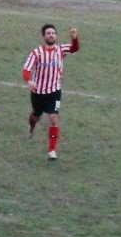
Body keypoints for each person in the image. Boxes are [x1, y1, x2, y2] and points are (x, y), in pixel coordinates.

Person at [22, 23, 81, 161]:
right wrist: (29, 81)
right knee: (36, 117)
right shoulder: (37, 53)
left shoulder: (60, 50)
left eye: (53, 33)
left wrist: (74, 38)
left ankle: (52, 150)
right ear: (44, 36)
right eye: (48, 33)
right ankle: (31, 127)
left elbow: (74, 48)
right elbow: (26, 69)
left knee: (53, 119)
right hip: (38, 92)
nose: (51, 35)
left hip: (54, 91)